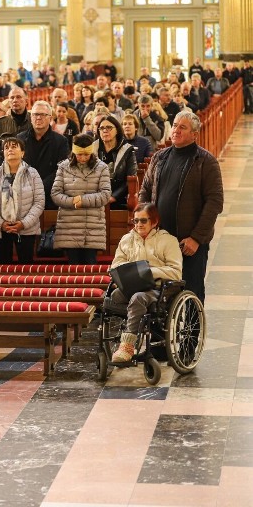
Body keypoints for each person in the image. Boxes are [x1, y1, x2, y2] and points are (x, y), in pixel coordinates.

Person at [138, 110, 223, 302]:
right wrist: (146, 221)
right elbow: (145, 190)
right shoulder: (160, 157)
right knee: (159, 294)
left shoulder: (206, 161)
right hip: (160, 239)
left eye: (182, 127)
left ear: (194, 134)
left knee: (191, 292)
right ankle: (163, 333)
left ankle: (192, 332)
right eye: (175, 125)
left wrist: (196, 238)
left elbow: (215, 202)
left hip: (189, 243)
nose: (176, 130)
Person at [108, 202, 183, 362]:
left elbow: (176, 272)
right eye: (136, 221)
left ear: (154, 222)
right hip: (131, 285)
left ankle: (127, 347)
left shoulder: (168, 241)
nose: (139, 225)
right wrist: (128, 273)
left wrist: (148, 272)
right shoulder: (127, 240)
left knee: (138, 298)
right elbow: (116, 264)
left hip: (156, 288)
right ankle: (122, 336)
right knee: (113, 297)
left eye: (143, 221)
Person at [51, 133, 112, 264]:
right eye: (79, 155)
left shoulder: (102, 168)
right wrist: (72, 201)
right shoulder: (63, 167)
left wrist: (82, 200)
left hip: (92, 225)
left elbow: (105, 194)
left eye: (86, 155)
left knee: (90, 266)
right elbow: (55, 193)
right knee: (73, 269)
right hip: (70, 225)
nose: (83, 158)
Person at [0, 137, 45, 263]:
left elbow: (39, 202)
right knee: (3, 267)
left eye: (14, 147)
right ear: (3, 153)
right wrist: (0, 223)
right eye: (6, 147)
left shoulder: (32, 174)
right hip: (0, 228)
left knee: (26, 267)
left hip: (26, 228)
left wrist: (24, 223)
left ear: (22, 152)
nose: (10, 149)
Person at [18, 100, 70, 209]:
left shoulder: (61, 141)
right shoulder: (20, 139)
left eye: (43, 114)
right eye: (35, 114)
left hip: (50, 195)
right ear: (30, 117)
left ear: (50, 118)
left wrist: (40, 186)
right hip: (24, 194)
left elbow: (61, 169)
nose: (38, 117)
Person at [96, 116, 137, 210]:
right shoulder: (93, 148)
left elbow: (131, 179)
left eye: (109, 127)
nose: (105, 130)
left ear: (117, 130)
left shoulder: (128, 150)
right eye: (102, 128)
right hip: (94, 199)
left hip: (119, 200)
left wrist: (114, 197)